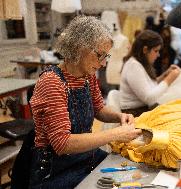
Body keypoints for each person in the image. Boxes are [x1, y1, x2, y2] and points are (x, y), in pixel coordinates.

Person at [28, 16, 142, 188]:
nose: (103, 63)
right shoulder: (52, 82)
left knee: (129, 176)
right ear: (79, 47)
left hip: (86, 157)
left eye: (106, 56)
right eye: (100, 55)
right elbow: (63, 144)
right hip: (56, 170)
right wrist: (116, 134)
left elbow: (99, 109)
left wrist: (119, 116)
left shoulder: (87, 77)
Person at [120, 30, 181, 117]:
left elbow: (148, 85)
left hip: (140, 110)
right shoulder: (134, 66)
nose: (158, 55)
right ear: (145, 49)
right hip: (134, 114)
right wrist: (169, 79)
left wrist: (165, 75)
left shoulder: (138, 63)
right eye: (156, 51)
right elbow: (149, 99)